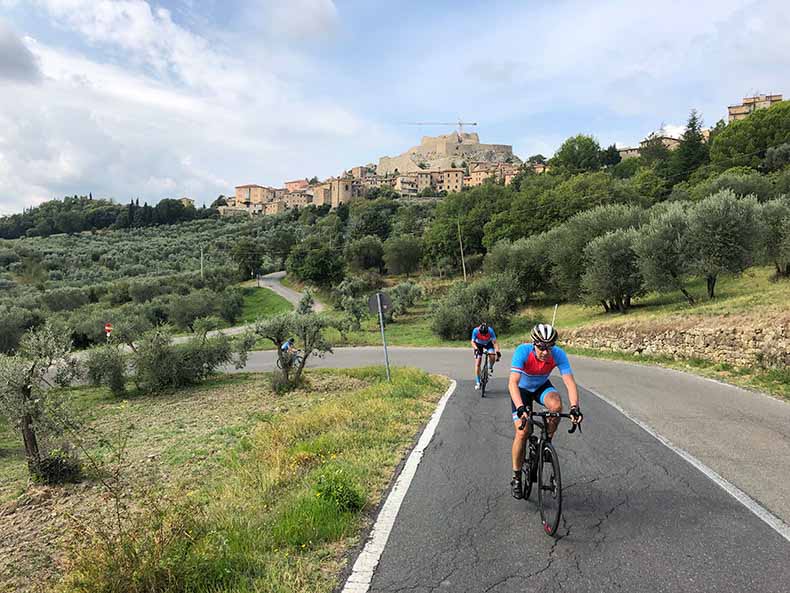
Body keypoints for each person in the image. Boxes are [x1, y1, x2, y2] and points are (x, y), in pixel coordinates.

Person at [508, 323, 583, 499]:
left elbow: (570, 382)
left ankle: (546, 443)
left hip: (541, 387)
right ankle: (517, 477)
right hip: (522, 390)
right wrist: (520, 408)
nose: (545, 352)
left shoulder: (558, 355)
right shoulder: (522, 351)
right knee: (522, 432)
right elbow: (512, 383)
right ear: (533, 344)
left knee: (556, 406)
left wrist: (575, 408)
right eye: (541, 347)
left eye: (549, 347)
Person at [470, 322, 501, 390]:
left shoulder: (490, 331)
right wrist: (475, 349)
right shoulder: (475, 330)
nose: (484, 335)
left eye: (485, 334)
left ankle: (490, 367)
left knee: (492, 356)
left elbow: (495, 342)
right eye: (482, 334)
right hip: (479, 345)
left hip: (488, 344)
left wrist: (497, 351)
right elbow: (472, 342)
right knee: (478, 362)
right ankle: (478, 382)